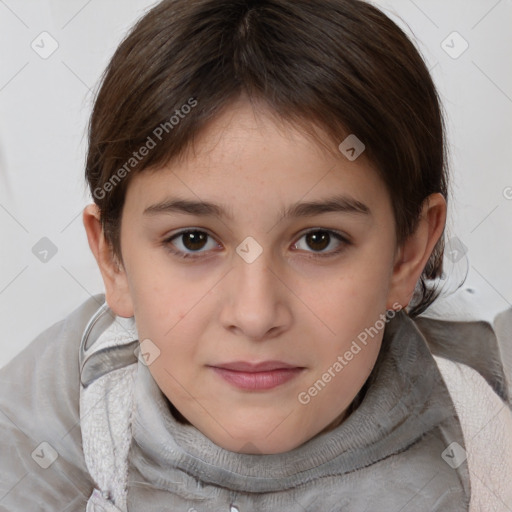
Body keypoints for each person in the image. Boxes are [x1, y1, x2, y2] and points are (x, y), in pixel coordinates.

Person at [1, 0, 511, 510]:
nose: (254, 314)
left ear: (408, 254)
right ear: (113, 259)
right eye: (193, 240)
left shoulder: (485, 438)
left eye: (318, 240)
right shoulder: (80, 385)